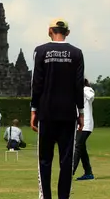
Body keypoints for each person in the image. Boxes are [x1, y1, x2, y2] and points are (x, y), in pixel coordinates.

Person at [30, 18, 84, 199]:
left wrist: (33, 110)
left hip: (46, 112)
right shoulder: (76, 53)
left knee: (44, 160)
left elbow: (36, 83)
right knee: (66, 160)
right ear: (67, 32)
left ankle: (45, 196)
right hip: (68, 113)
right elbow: (78, 86)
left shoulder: (41, 51)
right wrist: (81, 112)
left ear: (49, 31)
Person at [73, 78, 95, 180]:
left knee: (77, 146)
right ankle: (88, 172)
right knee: (81, 149)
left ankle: (70, 171)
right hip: (80, 124)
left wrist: (82, 90)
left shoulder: (86, 89)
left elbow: (91, 96)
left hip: (86, 124)